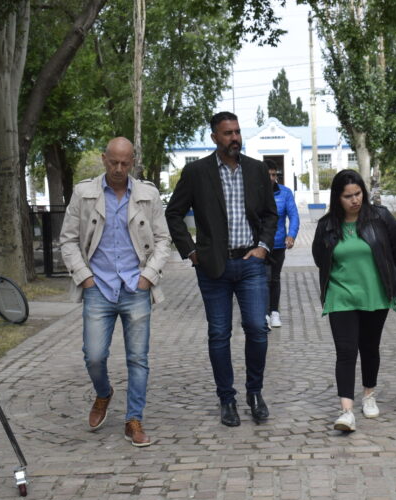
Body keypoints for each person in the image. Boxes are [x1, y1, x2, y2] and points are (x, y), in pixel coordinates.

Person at [165, 112, 278, 427]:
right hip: (213, 266)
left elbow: (270, 214)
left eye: (238, 132)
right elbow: (173, 213)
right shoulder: (197, 172)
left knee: (257, 328)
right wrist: (190, 251)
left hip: (251, 264)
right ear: (214, 137)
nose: (234, 138)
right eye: (227, 133)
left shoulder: (256, 170)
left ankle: (254, 393)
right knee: (219, 334)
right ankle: (226, 399)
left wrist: (263, 247)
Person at [60, 137, 171, 447]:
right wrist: (84, 278)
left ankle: (133, 420)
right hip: (98, 287)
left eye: (125, 163)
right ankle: (104, 392)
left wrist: (148, 276)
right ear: (103, 159)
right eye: (113, 162)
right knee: (94, 355)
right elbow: (68, 240)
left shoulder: (148, 195)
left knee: (138, 359)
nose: (119, 168)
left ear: (133, 161)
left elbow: (164, 240)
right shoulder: (84, 193)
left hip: (136, 287)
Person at [312, 170, 396, 432]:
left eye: (358, 194)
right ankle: (346, 412)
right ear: (337, 198)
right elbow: (322, 259)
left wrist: (383, 274)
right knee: (346, 351)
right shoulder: (327, 225)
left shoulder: (380, 217)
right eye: (348, 196)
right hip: (340, 296)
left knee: (369, 346)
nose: (355, 200)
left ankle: (369, 394)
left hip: (374, 294)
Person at [266, 160, 299, 328]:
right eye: (269, 175)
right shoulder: (254, 192)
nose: (272, 178)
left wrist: (291, 235)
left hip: (278, 244)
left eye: (274, 175)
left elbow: (294, 216)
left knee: (274, 278)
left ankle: (274, 312)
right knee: (263, 278)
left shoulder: (285, 193)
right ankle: (263, 314)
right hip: (259, 245)